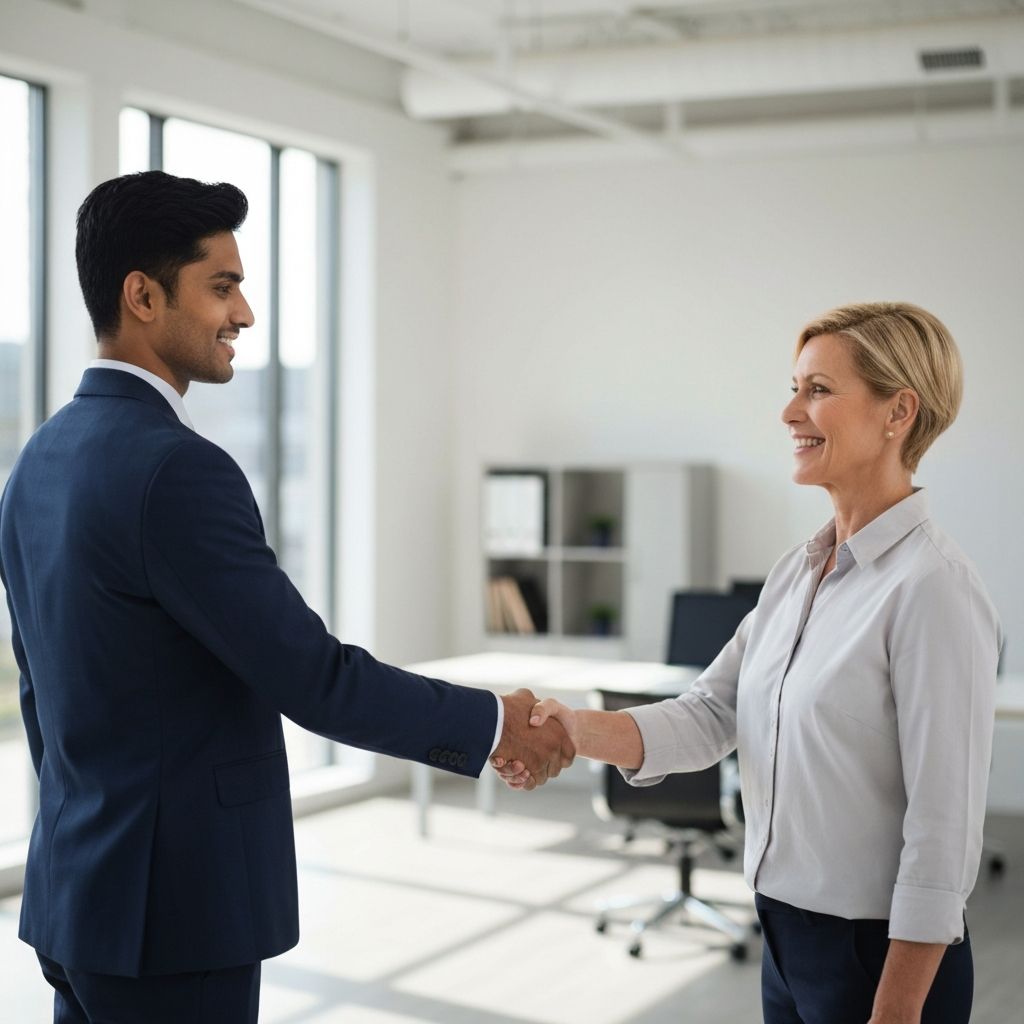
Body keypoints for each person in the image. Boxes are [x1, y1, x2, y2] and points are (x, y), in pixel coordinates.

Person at [0, 170, 573, 1024]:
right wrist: (492, 725)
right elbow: (311, 677)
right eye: (222, 287)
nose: (245, 314)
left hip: (77, 898)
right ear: (143, 296)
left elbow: (41, 693)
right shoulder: (177, 469)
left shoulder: (38, 460)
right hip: (177, 920)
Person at [494, 302, 1000, 1024]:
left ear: (899, 412)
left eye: (818, 390)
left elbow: (944, 830)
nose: (790, 411)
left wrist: (895, 1011)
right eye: (794, 387)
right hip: (785, 938)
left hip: (882, 961)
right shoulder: (799, 573)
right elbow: (710, 714)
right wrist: (571, 729)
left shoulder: (933, 588)